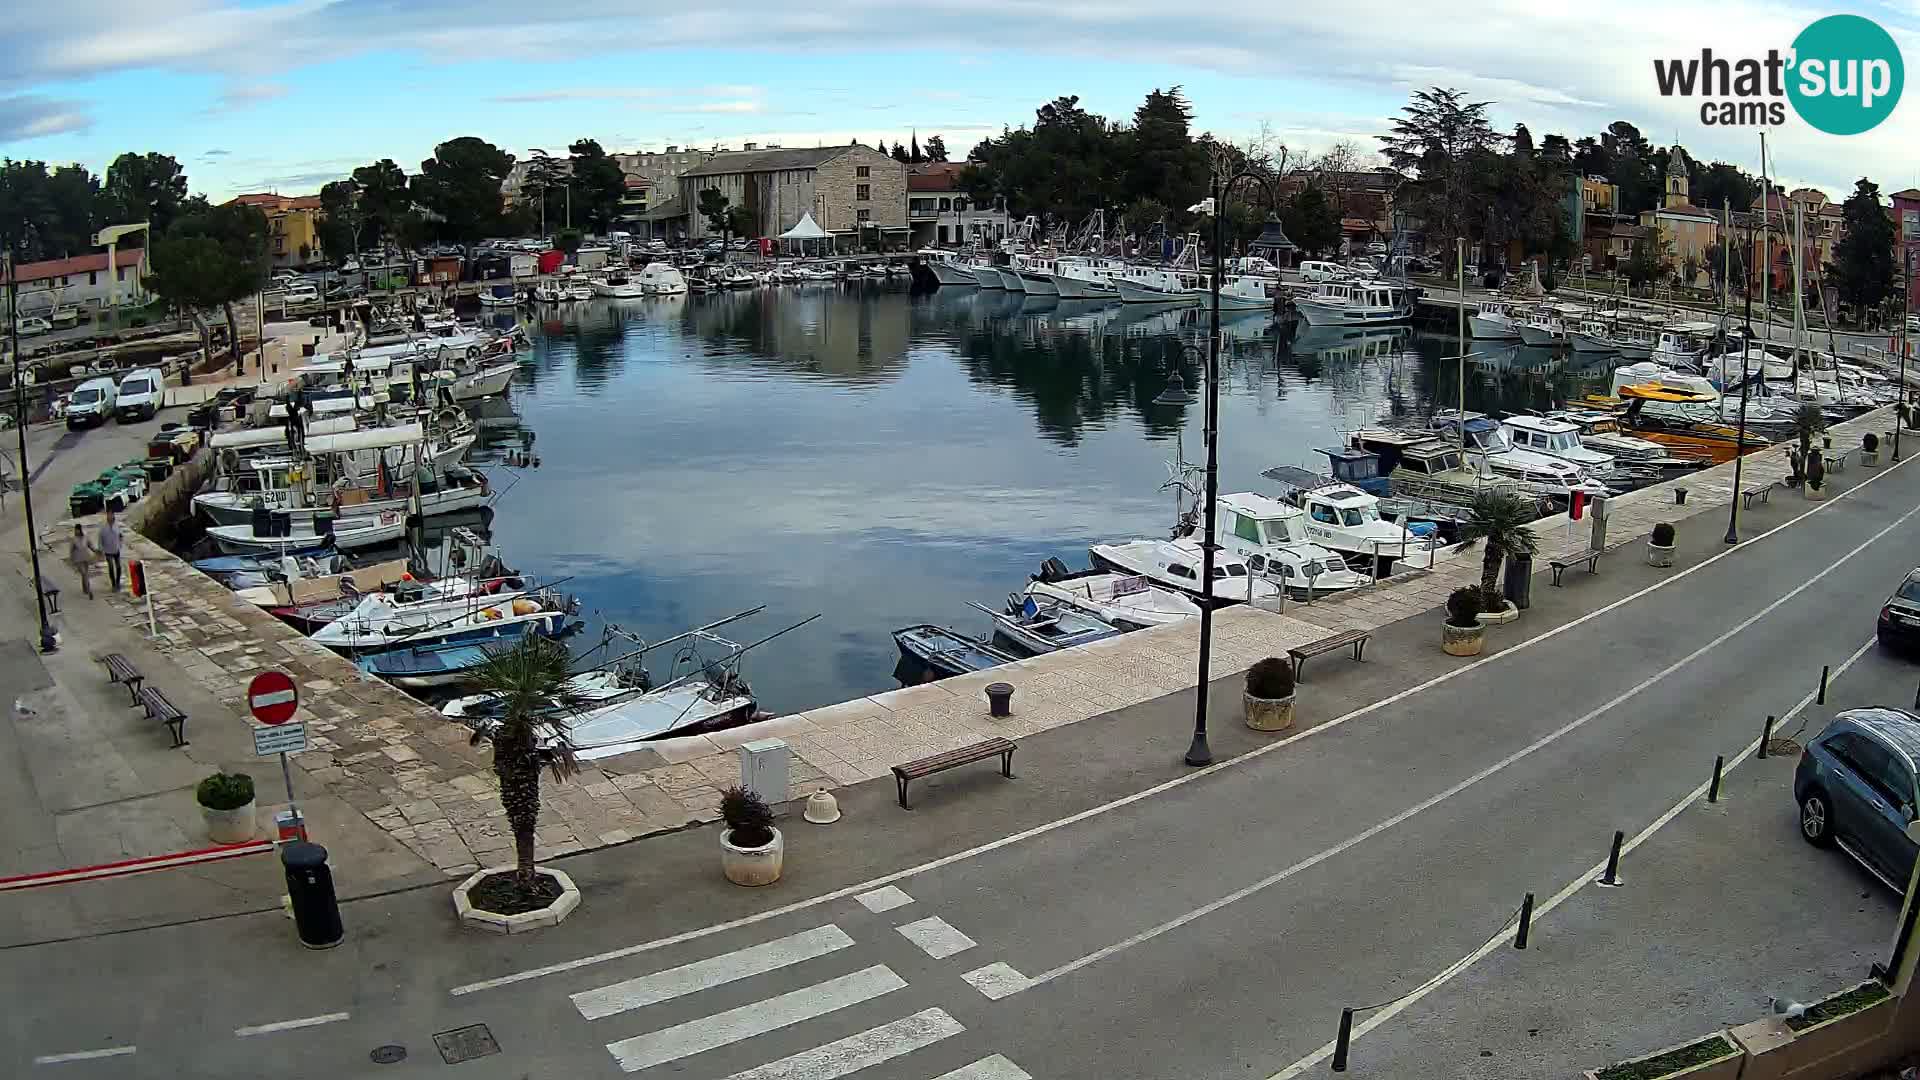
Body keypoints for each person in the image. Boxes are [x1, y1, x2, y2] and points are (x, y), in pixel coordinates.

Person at [95, 510, 123, 593]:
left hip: (116, 550)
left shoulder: (117, 525)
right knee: (111, 566)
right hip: (108, 551)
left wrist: (120, 545)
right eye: (108, 515)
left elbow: (121, 536)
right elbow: (100, 539)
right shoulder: (103, 527)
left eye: (111, 515)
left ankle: (118, 583)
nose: (110, 516)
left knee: (118, 567)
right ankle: (113, 584)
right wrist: (100, 549)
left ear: (113, 516)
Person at [66, 524, 93, 599]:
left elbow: (90, 545)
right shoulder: (74, 539)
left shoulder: (85, 537)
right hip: (78, 560)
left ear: (80, 530)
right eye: (75, 530)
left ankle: (85, 589)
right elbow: (71, 550)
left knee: (85, 574)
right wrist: (71, 560)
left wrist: (95, 551)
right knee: (84, 574)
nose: (76, 531)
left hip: (86, 558)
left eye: (77, 530)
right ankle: (89, 590)